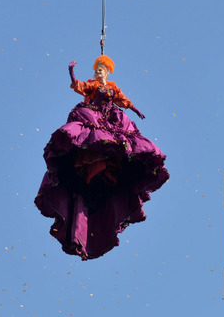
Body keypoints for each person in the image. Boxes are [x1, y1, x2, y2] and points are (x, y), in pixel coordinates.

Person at [34, 55, 169, 260]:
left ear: (107, 71)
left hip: (112, 119)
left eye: (101, 69)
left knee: (123, 143)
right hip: (94, 116)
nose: (98, 72)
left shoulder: (113, 88)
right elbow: (78, 86)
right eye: (96, 69)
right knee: (92, 138)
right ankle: (95, 163)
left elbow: (124, 101)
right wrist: (71, 73)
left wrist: (135, 109)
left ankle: (108, 164)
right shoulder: (92, 85)